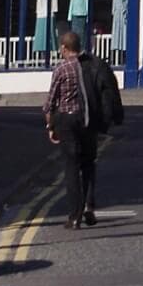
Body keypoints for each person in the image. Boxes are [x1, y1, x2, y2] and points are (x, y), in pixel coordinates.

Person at [45, 30, 102, 227]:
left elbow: (51, 101)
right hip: (87, 120)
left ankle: (74, 215)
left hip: (67, 121)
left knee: (71, 167)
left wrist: (50, 125)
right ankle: (88, 206)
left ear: (64, 48)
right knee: (88, 164)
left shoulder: (61, 69)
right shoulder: (90, 66)